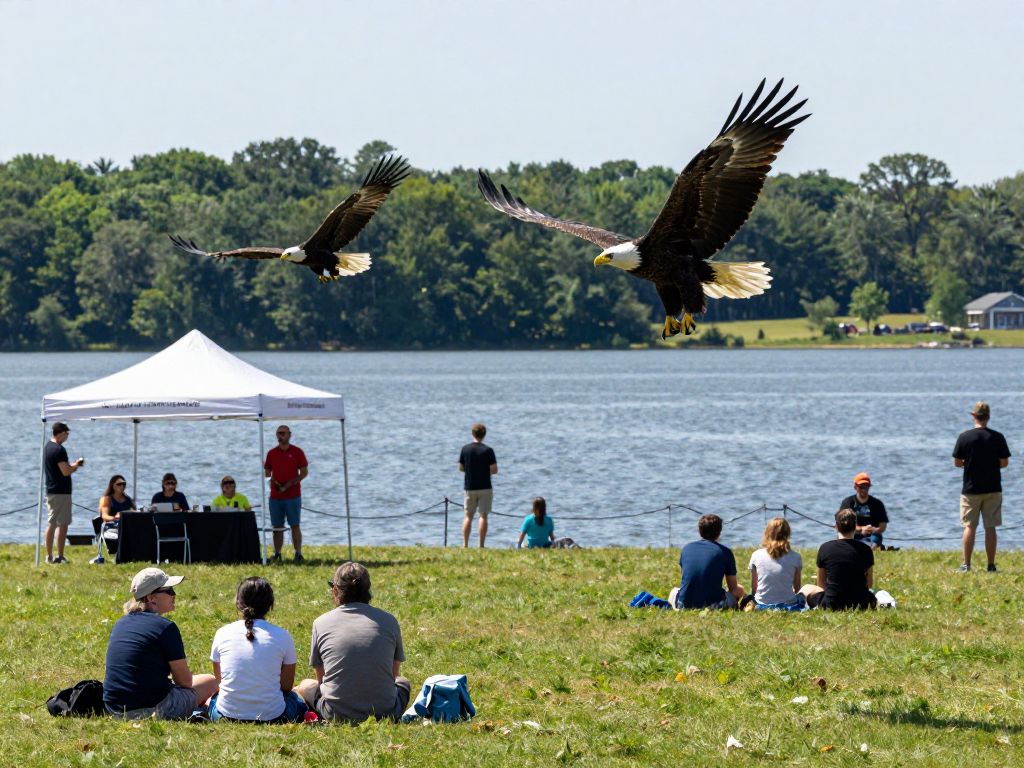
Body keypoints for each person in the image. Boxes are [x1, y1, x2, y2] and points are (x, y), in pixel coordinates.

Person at [296, 562, 411, 723]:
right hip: (385, 712)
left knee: (306, 685)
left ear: (335, 590)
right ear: (368, 591)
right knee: (403, 682)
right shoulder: (389, 621)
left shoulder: (320, 623)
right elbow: (394, 676)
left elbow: (322, 681)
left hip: (335, 713)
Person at [103, 567, 218, 719]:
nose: (174, 595)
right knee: (210, 681)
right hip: (150, 709)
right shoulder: (165, 627)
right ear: (151, 598)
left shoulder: (120, 623)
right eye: (169, 590)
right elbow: (185, 681)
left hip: (114, 708)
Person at [207, 577, 307, 723]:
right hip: (274, 716)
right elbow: (286, 687)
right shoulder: (283, 636)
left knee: (214, 698)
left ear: (238, 602)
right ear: (270, 604)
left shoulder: (222, 633)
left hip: (225, 715)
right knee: (296, 700)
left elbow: (220, 681)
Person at [953, 401, 1011, 572]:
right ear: (988, 417)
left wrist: (968, 464)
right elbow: (1004, 462)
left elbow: (957, 462)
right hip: (993, 488)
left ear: (973, 416)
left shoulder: (964, 437)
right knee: (990, 527)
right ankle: (991, 565)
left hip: (971, 489)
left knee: (969, 526)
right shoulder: (997, 437)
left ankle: (966, 564)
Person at [800, 508, 876, 610]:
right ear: (855, 526)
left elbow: (821, 585)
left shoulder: (825, 548)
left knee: (807, 588)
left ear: (836, 527)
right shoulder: (866, 550)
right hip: (861, 603)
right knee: (880, 592)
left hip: (831, 604)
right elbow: (869, 584)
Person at [672, 514, 745, 610]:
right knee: (739, 589)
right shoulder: (725, 552)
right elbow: (733, 587)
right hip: (714, 605)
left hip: (684, 604)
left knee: (673, 591)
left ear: (699, 531)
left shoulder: (687, 548)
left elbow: (686, 577)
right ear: (719, 532)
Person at [264, 425, 308, 562]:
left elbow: (304, 472)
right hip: (276, 497)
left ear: (289, 435)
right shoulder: (271, 453)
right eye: (278, 433)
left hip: (293, 496)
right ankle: (277, 554)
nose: (280, 436)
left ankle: (298, 554)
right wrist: (274, 483)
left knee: (295, 525)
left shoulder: (297, 452)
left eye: (283, 433)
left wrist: (290, 484)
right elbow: (267, 473)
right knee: (277, 527)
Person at [43, 422, 84, 564]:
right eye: (67, 434)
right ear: (60, 433)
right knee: (62, 524)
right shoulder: (59, 450)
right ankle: (59, 556)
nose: (67, 437)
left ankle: (49, 556)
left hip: (51, 490)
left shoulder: (48, 447)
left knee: (52, 523)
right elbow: (65, 471)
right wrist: (76, 465)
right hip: (61, 492)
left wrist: (71, 466)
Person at [747, 518, 803, 609]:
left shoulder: (756, 555)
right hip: (788, 604)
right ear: (788, 533)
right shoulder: (796, 557)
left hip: (762, 604)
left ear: (767, 533)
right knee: (805, 592)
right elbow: (797, 589)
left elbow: (754, 588)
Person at [458, 423, 498, 548]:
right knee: (483, 516)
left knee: (468, 516)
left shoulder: (465, 449)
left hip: (469, 487)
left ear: (472, 434)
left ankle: (465, 545)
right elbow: (494, 469)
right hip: (485, 487)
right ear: (484, 435)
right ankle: (481, 545)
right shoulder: (488, 450)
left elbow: (461, 468)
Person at [838, 472, 889, 549]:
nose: (864, 490)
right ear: (855, 487)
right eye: (861, 487)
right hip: (852, 535)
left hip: (872, 536)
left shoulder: (877, 504)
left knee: (876, 537)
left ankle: (871, 547)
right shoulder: (847, 503)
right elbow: (844, 525)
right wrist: (861, 529)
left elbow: (883, 527)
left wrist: (872, 529)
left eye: (866, 487)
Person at [98, 474, 134, 548]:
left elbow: (133, 512)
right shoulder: (106, 499)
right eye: (119, 484)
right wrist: (116, 517)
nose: (122, 486)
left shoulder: (128, 500)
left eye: (124, 484)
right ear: (113, 485)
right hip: (112, 526)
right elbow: (105, 516)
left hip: (128, 525)